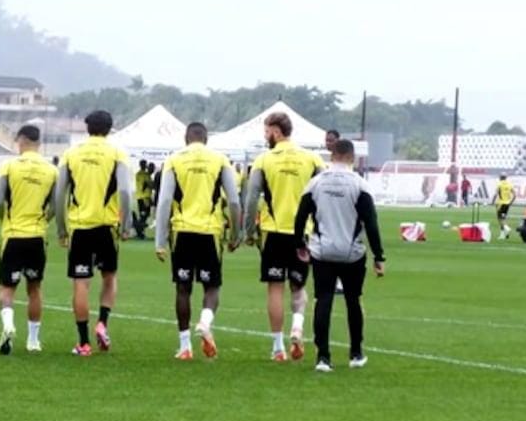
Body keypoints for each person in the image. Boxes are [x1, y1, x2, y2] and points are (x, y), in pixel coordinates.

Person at [294, 139, 385, 372]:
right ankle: (356, 353)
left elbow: (300, 216)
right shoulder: (360, 184)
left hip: (322, 251)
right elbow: (372, 223)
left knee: (323, 299)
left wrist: (299, 244)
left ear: (331, 156)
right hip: (352, 252)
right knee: (353, 300)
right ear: (351, 158)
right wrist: (378, 256)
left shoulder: (316, 182)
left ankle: (323, 357)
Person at [243, 112, 326, 361]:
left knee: (275, 288)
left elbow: (251, 198)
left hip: (274, 231)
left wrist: (248, 230)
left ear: (276, 132)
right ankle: (298, 326)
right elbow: (322, 195)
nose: (265, 136)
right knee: (299, 286)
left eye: (266, 131)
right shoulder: (312, 159)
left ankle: (278, 347)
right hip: (303, 233)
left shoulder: (264, 160)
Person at [154, 122, 241, 359]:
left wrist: (160, 240)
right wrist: (236, 234)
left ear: (186, 138)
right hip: (210, 231)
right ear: (206, 139)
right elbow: (233, 201)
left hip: (182, 231)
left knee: (183, 288)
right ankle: (204, 322)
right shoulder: (220, 159)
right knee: (212, 286)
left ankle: (184, 346)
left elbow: (163, 201)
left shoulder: (174, 159)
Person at [54, 110, 134, 356]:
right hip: (106, 225)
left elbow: (59, 194)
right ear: (110, 128)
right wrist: (126, 223)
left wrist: (61, 228)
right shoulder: (117, 153)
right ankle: (103, 322)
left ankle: (83, 342)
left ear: (87, 127)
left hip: (80, 227)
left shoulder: (71, 153)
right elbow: (125, 192)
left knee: (81, 283)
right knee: (109, 277)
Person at [0, 125, 58, 355]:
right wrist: (44, 221)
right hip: (37, 236)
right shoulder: (51, 170)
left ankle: (8, 324)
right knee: (34, 288)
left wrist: (5, 220)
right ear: (38, 142)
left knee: (6, 288)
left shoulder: (9, 166)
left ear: (21, 140)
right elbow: (57, 205)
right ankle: (33, 340)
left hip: (13, 234)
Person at [493, 174, 516, 240]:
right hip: (507, 204)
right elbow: (515, 195)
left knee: (499, 218)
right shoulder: (510, 184)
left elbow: (495, 194)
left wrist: (492, 202)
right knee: (503, 218)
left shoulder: (499, 184)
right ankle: (504, 234)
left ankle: (506, 228)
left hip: (500, 203)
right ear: (506, 178)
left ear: (500, 178)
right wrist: (511, 203)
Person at [134, 160, 153, 239]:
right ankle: (139, 231)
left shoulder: (137, 174)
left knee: (143, 215)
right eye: (146, 165)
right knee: (144, 215)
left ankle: (140, 231)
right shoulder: (145, 174)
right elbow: (149, 184)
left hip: (139, 197)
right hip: (145, 198)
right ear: (144, 165)